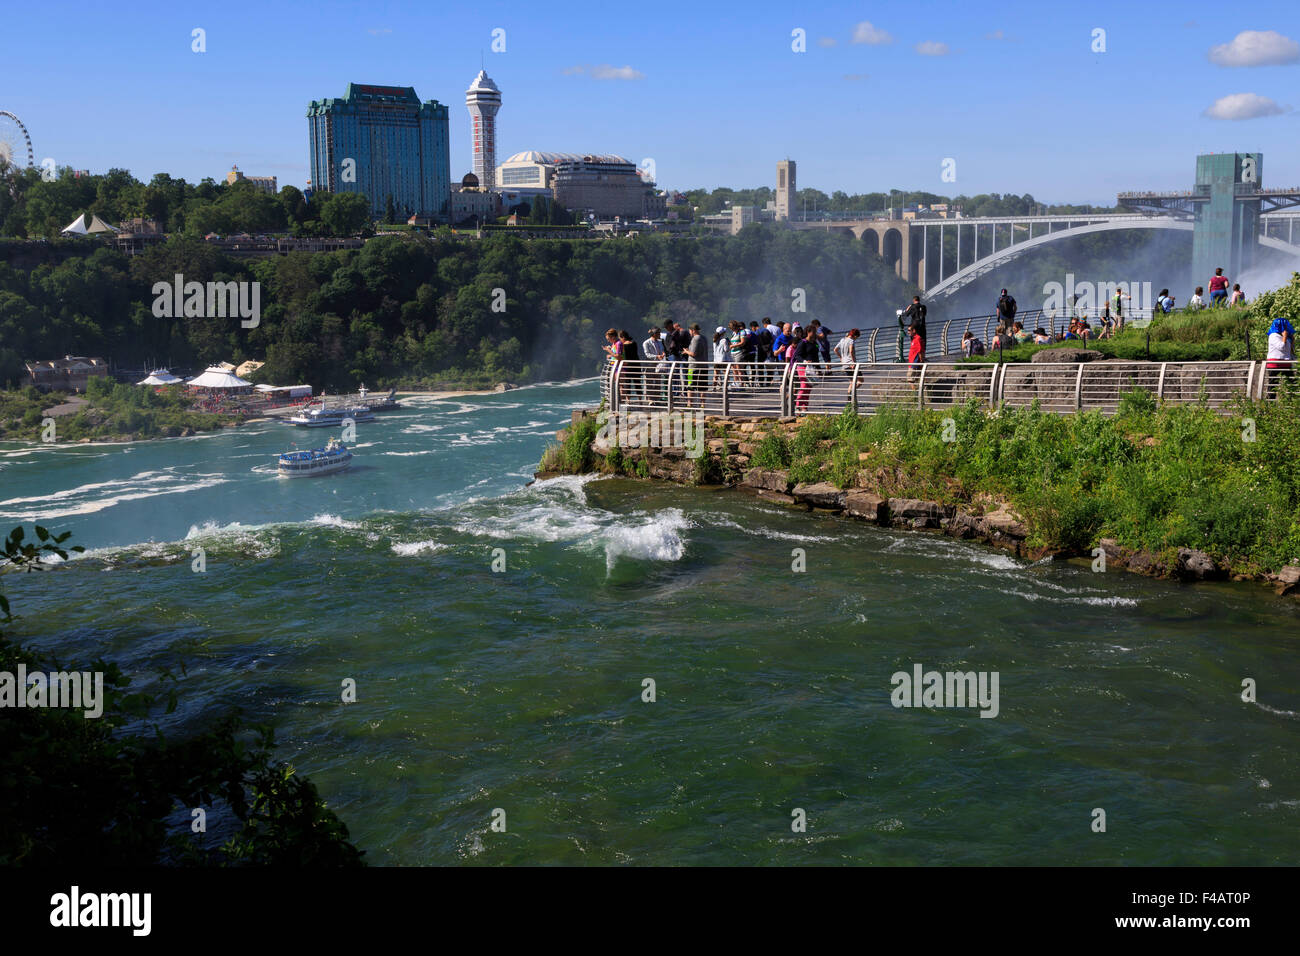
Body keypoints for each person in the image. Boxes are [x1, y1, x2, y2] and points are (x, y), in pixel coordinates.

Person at [1266, 316, 1295, 396]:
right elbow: (1281, 347)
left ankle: (1292, 402)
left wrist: (1292, 340)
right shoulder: (1273, 335)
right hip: (1275, 364)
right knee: (1273, 385)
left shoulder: (1285, 336)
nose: (1286, 327)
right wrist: (1285, 337)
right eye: (1285, 325)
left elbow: (1289, 350)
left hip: (1286, 363)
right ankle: (1270, 404)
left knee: (1293, 383)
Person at [794, 327, 820, 413]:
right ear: (808, 332)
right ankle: (797, 405)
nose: (815, 334)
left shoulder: (815, 343)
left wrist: (818, 368)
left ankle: (804, 407)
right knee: (804, 385)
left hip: (811, 367)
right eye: (814, 332)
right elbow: (797, 355)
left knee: (809, 387)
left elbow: (816, 357)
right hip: (802, 367)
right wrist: (804, 361)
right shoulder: (803, 342)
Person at [618, 330, 640, 403]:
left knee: (628, 383)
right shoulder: (634, 343)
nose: (620, 340)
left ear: (623, 337)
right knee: (638, 383)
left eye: (620, 338)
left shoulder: (624, 346)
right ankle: (640, 400)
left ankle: (628, 400)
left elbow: (622, 356)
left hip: (628, 366)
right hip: (637, 365)